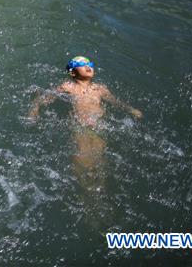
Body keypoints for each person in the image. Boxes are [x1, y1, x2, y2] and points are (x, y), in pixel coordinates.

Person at [28, 56, 142, 193]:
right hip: (80, 127)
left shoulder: (101, 89)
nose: (88, 66)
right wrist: (35, 107)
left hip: (99, 128)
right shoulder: (68, 86)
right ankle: (84, 191)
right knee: (82, 160)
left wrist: (131, 110)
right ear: (72, 72)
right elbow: (48, 97)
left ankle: (99, 193)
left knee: (99, 162)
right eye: (82, 64)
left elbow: (115, 102)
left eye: (90, 63)